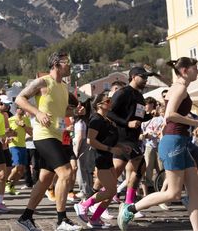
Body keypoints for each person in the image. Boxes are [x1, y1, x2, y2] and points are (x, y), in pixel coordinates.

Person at [118, 57, 198, 231]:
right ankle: (130, 208)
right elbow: (169, 115)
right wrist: (195, 122)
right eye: (195, 68)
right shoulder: (180, 88)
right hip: (174, 142)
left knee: (194, 194)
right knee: (173, 193)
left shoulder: (177, 86)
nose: (197, 71)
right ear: (185, 71)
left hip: (179, 142)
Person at [15, 51, 84, 231]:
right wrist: (37, 112)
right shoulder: (43, 82)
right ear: (55, 64)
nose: (70, 65)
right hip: (43, 134)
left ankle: (26, 217)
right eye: (66, 62)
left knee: (45, 179)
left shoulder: (63, 87)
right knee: (66, 173)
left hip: (57, 134)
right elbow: (19, 99)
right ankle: (61, 220)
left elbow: (62, 112)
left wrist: (76, 112)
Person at [73, 93, 130, 228]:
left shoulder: (107, 120)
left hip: (107, 158)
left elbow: (108, 139)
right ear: (99, 104)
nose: (111, 103)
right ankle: (83, 205)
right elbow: (90, 141)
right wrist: (110, 149)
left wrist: (121, 146)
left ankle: (95, 218)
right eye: (108, 101)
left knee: (111, 192)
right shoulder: (96, 120)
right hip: (99, 159)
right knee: (110, 191)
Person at [107, 66, 155, 218]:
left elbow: (137, 118)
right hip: (122, 138)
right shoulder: (123, 92)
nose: (146, 79)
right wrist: (127, 124)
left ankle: (91, 203)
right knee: (140, 166)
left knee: (114, 174)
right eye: (143, 76)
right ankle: (128, 205)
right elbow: (109, 112)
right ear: (134, 76)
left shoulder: (140, 96)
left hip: (132, 138)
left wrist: (149, 116)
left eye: (147, 77)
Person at [7, 107, 32, 194]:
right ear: (16, 109)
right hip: (13, 145)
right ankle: (7, 182)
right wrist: (9, 136)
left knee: (21, 171)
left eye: (23, 109)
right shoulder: (10, 120)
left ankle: (11, 186)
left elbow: (31, 133)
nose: (22, 110)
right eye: (20, 108)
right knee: (17, 166)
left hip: (23, 145)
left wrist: (23, 126)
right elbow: (5, 132)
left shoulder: (26, 119)